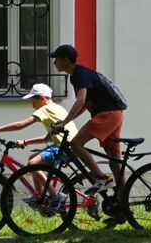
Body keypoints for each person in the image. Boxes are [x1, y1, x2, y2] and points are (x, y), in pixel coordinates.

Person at [0, 83, 78, 207]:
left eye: (33, 99)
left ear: (42, 98)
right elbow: (47, 137)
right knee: (32, 160)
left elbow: (21, 125)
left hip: (64, 147)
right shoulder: (57, 108)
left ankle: (55, 197)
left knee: (32, 164)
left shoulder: (45, 109)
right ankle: (40, 198)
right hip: (68, 146)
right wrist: (25, 142)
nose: (32, 103)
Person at [50, 45, 125, 195]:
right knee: (114, 161)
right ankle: (123, 204)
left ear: (65, 60)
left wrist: (64, 123)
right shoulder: (78, 75)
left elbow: (80, 100)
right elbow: (84, 104)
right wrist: (66, 121)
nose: (54, 63)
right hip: (114, 114)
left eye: (56, 59)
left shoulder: (80, 74)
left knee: (76, 144)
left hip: (107, 114)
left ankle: (102, 178)